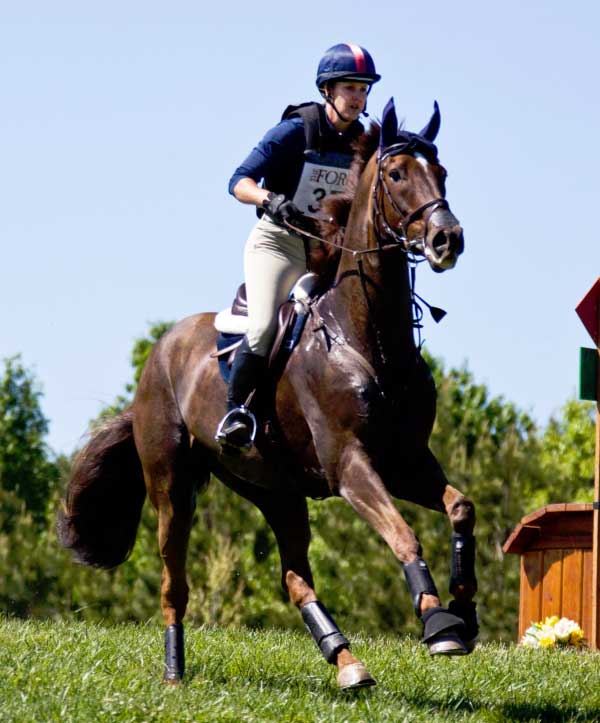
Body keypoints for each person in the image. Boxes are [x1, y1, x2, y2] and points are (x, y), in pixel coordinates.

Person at [215, 43, 381, 448]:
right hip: (278, 244)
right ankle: (238, 410)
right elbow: (238, 182)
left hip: (326, 248)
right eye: (350, 88)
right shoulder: (296, 130)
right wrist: (269, 199)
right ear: (327, 90)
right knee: (265, 324)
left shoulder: (362, 142)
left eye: (363, 90)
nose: (358, 98)